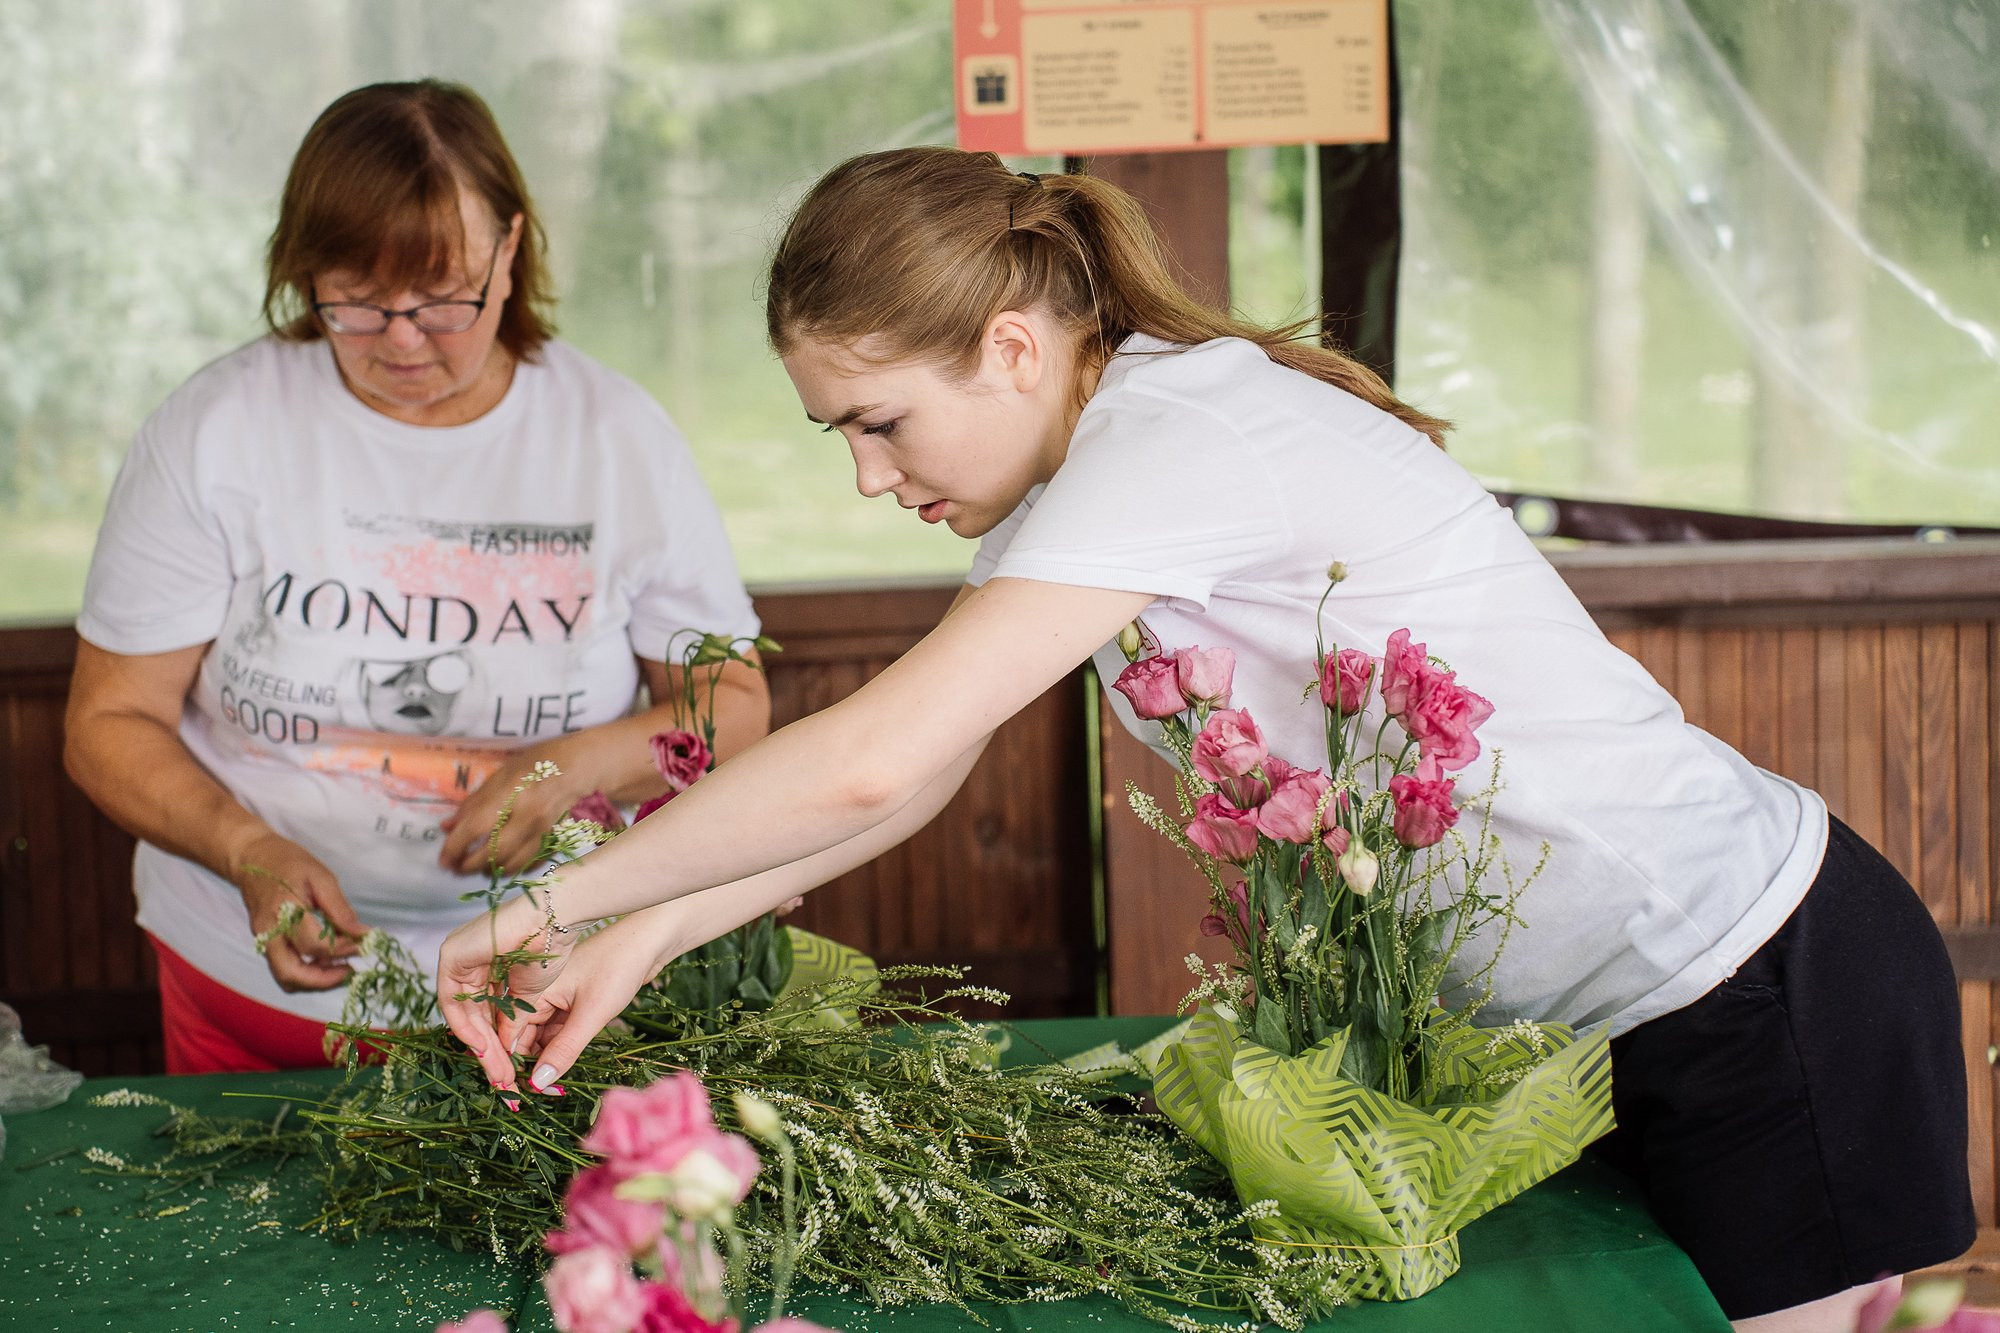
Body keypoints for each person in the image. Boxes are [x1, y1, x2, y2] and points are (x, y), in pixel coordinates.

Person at [436, 146, 1972, 1330]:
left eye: (879, 421)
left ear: (1015, 351)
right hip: (1612, 1020)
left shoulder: (1172, 438)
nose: (865, 477)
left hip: (1763, 986)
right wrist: (637, 932)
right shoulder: (1083, 481)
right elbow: (903, 787)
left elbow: (866, 761)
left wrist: (545, 904)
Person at [63, 80, 768, 1076]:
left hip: (542, 980)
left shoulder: (615, 440)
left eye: (442, 295)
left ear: (511, 248)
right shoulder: (216, 428)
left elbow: (731, 706)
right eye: (353, 294)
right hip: (248, 978)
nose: (399, 338)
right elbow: (108, 722)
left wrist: (575, 765)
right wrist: (245, 848)